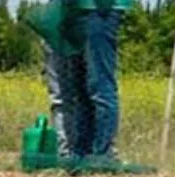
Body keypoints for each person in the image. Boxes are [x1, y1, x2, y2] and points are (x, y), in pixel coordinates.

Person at [57, 0, 133, 167]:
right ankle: (81, 152)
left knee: (100, 84)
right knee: (79, 87)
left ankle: (102, 153)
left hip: (101, 10)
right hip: (75, 10)